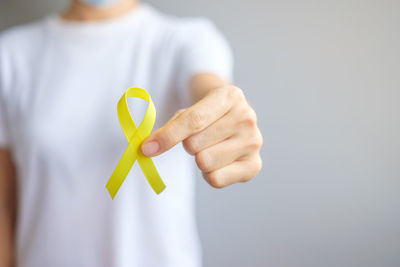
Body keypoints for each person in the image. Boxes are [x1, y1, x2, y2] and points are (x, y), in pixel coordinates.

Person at [0, 0, 262, 266]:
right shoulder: (10, 55)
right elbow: (3, 208)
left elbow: (209, 89)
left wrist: (225, 112)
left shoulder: (186, 40)